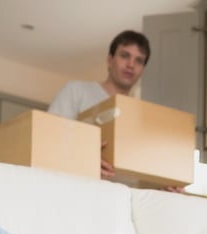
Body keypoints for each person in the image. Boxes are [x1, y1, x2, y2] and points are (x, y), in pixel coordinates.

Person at [47, 30, 150, 179]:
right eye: (124, 56)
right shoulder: (76, 91)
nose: (131, 65)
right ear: (110, 60)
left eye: (139, 60)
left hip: (122, 199)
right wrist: (85, 160)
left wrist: (163, 185)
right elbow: (47, 139)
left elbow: (143, 171)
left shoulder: (143, 118)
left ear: (142, 71)